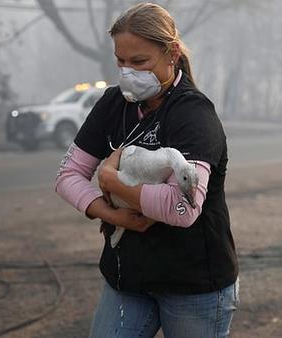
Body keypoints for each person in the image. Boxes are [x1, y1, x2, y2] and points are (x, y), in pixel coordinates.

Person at [54, 3, 239, 337]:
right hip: (127, 278)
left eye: (139, 62)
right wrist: (114, 216)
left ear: (172, 54)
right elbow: (68, 175)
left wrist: (111, 182)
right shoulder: (112, 104)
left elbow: (182, 208)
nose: (127, 72)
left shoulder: (194, 114)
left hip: (193, 283)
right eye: (120, 61)